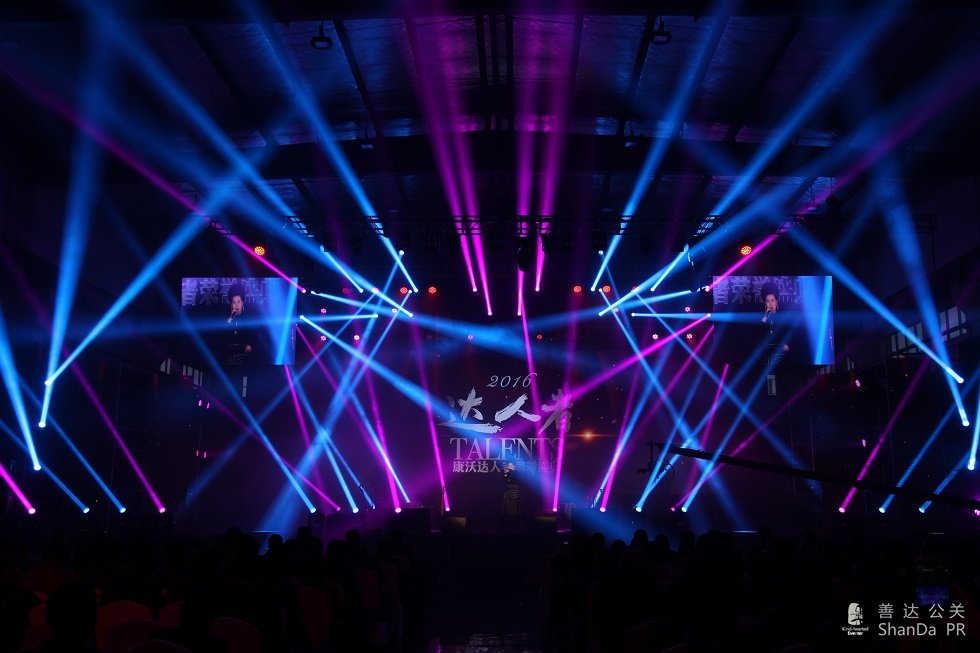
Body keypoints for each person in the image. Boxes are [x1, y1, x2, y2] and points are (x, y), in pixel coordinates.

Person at [224, 284, 255, 365]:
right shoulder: (228, 318)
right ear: (231, 304)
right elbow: (223, 336)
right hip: (230, 354)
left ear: (242, 303)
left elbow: (253, 337)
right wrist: (230, 318)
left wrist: (250, 346)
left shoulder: (248, 318)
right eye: (234, 302)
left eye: (238, 302)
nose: (236, 305)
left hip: (244, 353)